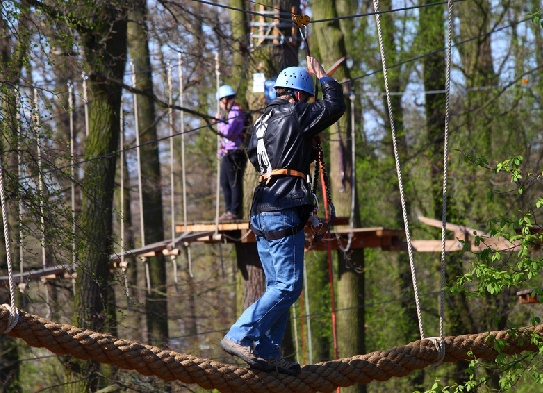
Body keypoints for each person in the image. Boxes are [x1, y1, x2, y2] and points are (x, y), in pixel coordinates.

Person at [219, 57, 346, 375]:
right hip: (281, 209)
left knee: (281, 285)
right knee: (287, 286)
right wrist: (323, 78)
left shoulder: (262, 120)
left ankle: (266, 352)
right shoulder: (295, 112)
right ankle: (240, 334)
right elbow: (334, 107)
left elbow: (252, 154)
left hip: (263, 208)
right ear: (300, 95)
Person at [215, 84, 248, 221]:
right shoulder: (233, 112)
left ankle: (234, 212)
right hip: (228, 152)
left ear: (225, 100)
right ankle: (229, 210)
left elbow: (227, 132)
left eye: (221, 102)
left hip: (235, 153)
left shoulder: (236, 112)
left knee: (233, 183)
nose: (221, 106)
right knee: (225, 182)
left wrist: (219, 121)